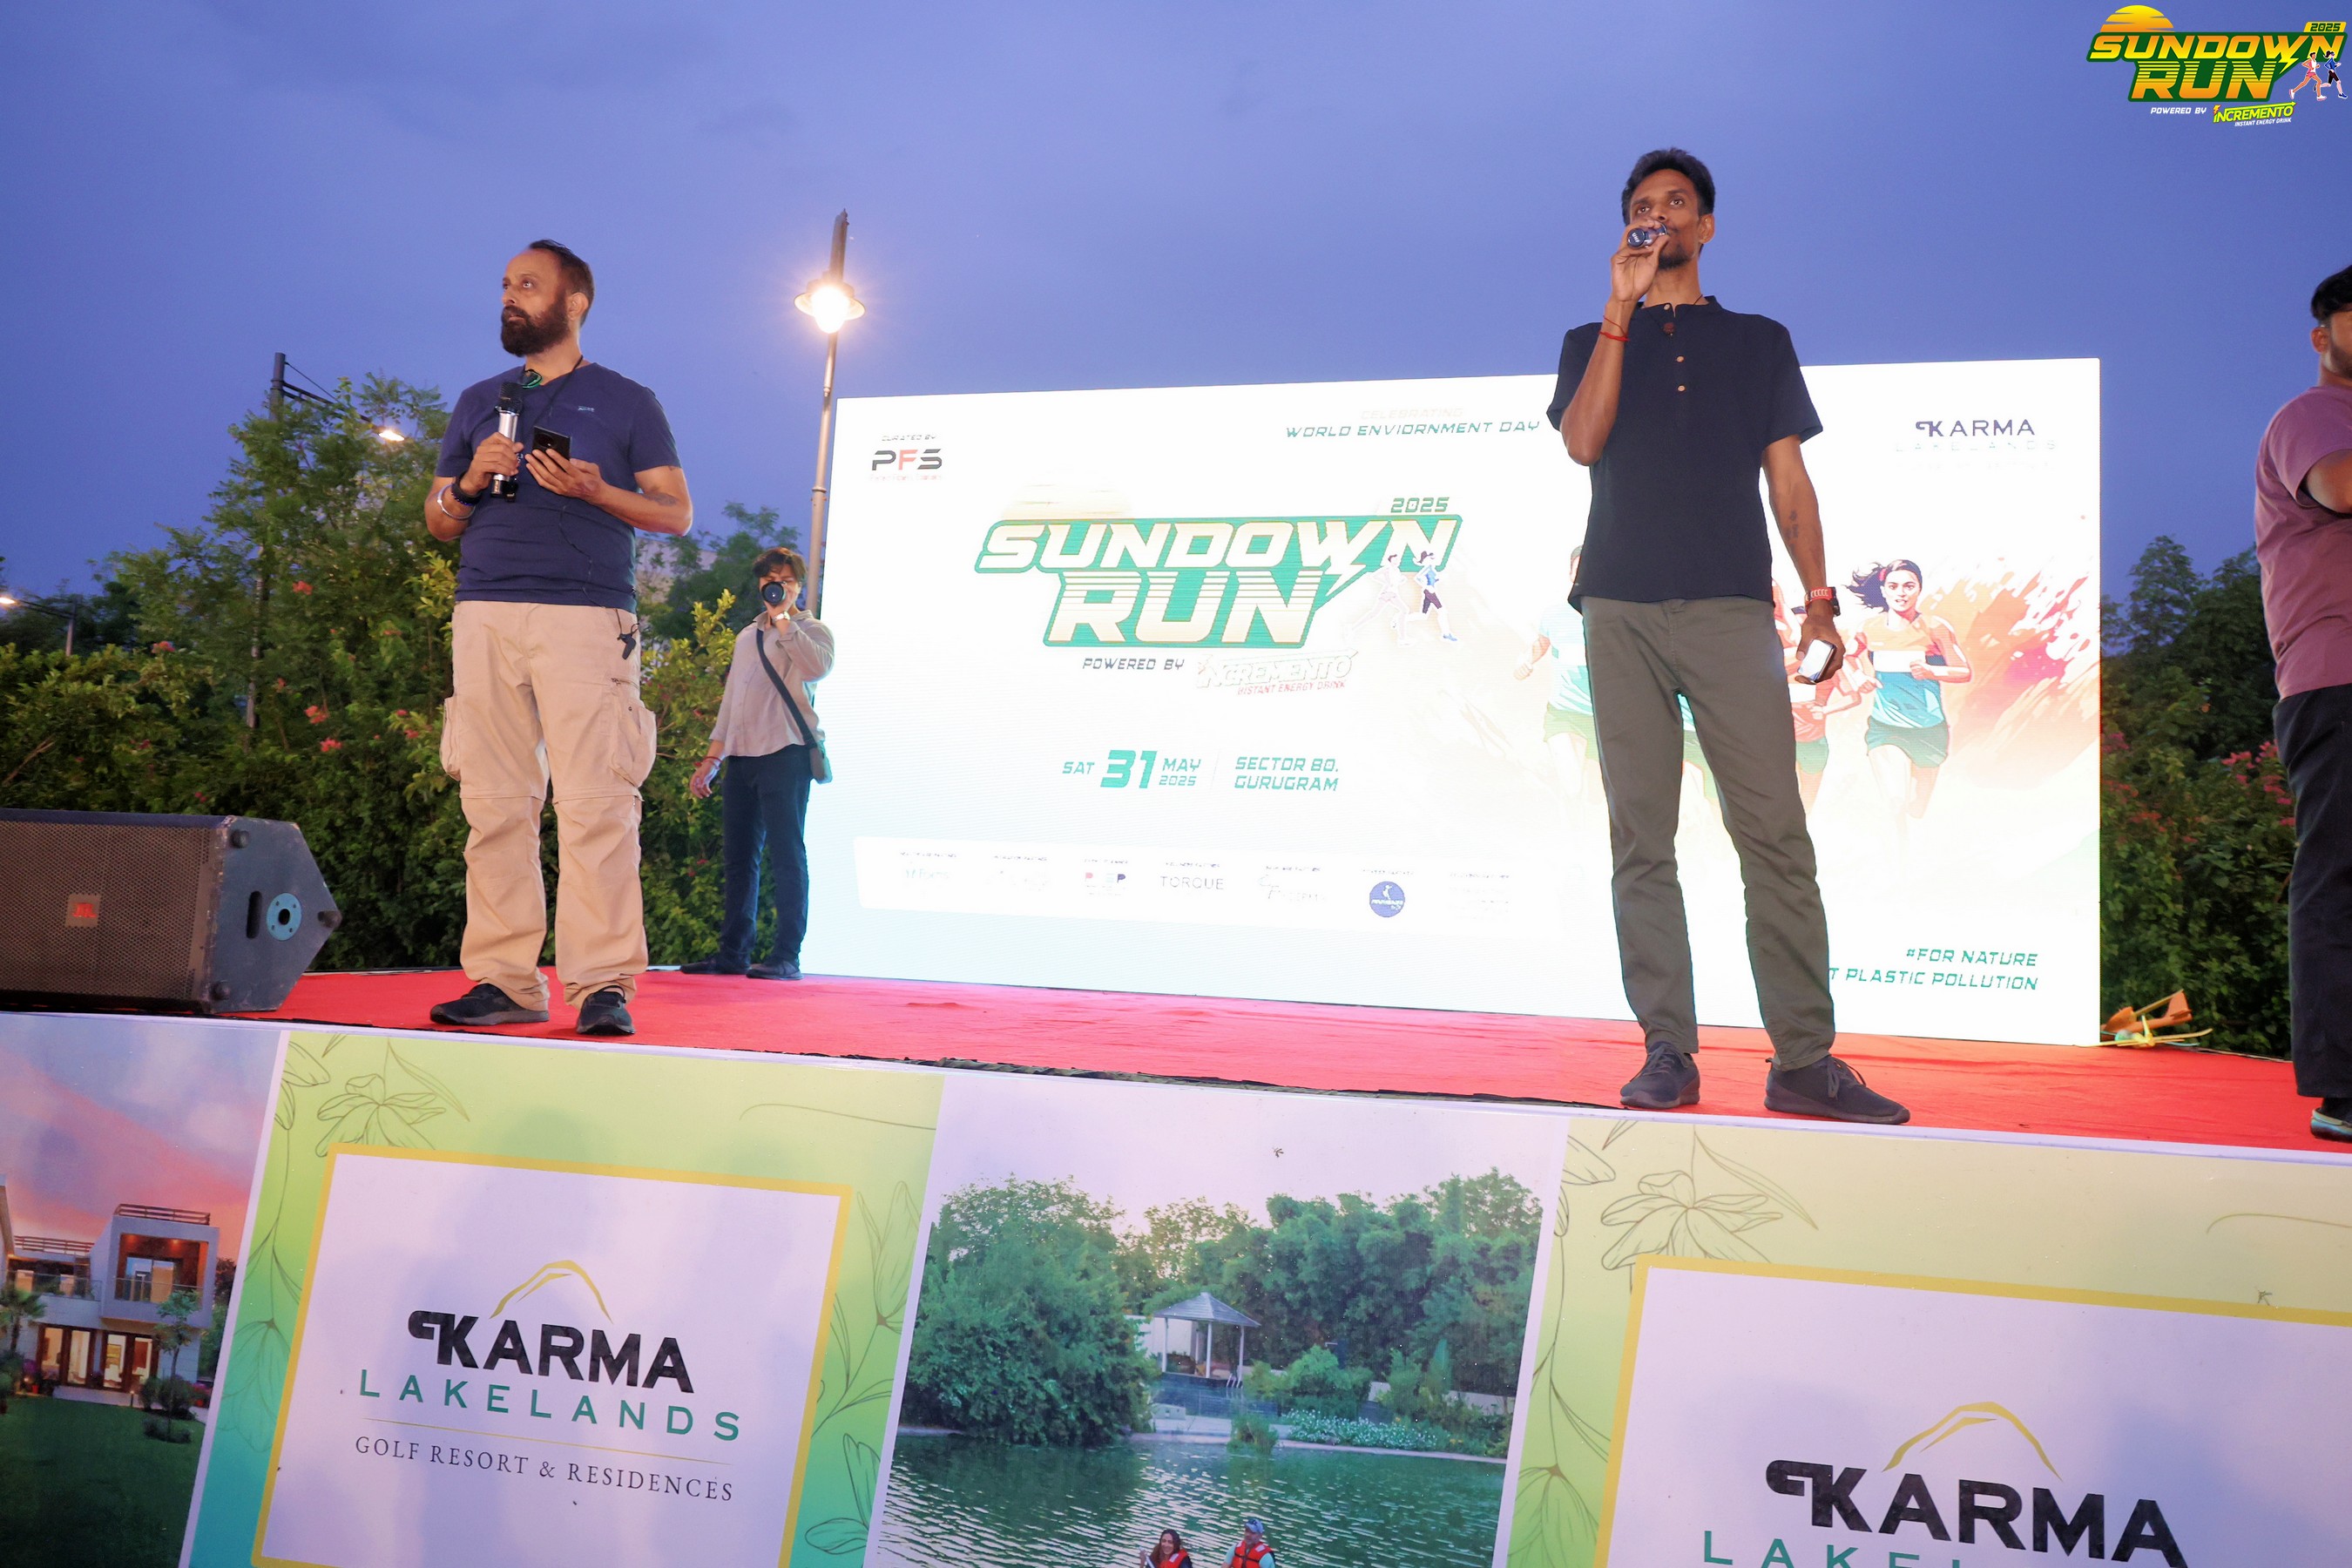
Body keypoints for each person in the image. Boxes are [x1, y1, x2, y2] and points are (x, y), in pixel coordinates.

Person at [1547, 147, 1908, 1125]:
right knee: (1642, 839)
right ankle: (1667, 1049)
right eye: (1642, 205)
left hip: (1731, 609)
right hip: (1619, 607)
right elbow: (1583, 442)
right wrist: (1619, 310)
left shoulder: (1757, 341)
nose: (1658, 215)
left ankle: (1804, 1061)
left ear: (1705, 227)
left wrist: (1820, 600)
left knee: (1774, 834)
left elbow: (1788, 478)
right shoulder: (1591, 336)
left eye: (1677, 203)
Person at [423, 240, 693, 1037]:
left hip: (585, 616)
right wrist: (469, 481)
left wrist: (597, 490)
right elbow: (438, 519)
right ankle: (505, 980)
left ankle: (602, 984)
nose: (511, 296)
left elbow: (675, 513)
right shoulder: (480, 400)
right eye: (506, 284)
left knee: (596, 804)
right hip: (484, 612)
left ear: (575, 303)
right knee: (494, 804)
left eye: (529, 285)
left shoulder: (627, 401)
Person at [2254, 261, 2352, 1145]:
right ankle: (2344, 1092)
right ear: (2323, 336)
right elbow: (2342, 488)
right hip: (2338, 678)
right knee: (2341, 876)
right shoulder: (2312, 416)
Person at [681, 548, 835, 980]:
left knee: (787, 856)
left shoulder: (812, 630)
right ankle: (733, 953)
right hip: (742, 757)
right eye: (769, 579)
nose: (776, 586)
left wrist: (784, 619)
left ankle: (787, 955)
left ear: (798, 586)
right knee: (739, 858)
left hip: (785, 753)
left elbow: (816, 669)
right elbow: (733, 701)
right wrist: (713, 758)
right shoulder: (747, 636)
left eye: (785, 580)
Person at [1850, 559, 1970, 848]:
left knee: (1916, 808)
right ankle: (1898, 861)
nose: (1901, 593)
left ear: (1919, 589)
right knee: (1894, 801)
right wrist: (1857, 677)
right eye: (1893, 586)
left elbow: (1963, 672)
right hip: (1886, 727)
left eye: (1908, 586)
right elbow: (1848, 656)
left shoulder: (1936, 628)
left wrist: (1932, 671)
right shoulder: (1869, 628)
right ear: (1883, 590)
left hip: (1928, 729)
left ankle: (1911, 847)